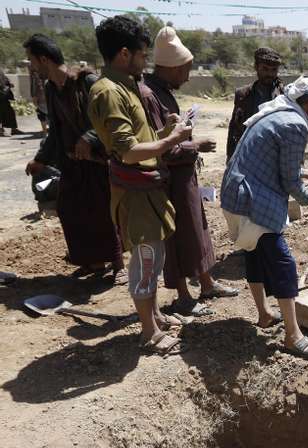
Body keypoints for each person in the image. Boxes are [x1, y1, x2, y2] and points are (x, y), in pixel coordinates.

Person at [88, 15, 195, 355]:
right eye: (142, 54)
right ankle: (149, 332)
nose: (145, 61)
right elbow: (130, 151)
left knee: (153, 257)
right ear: (123, 53)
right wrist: (173, 139)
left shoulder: (126, 85)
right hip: (135, 193)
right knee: (146, 261)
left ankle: (155, 316)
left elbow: (141, 138)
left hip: (147, 189)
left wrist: (166, 132)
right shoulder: (108, 92)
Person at [220, 76, 308, 359]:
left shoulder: (279, 113)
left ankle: (264, 314)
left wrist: (302, 172)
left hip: (235, 193)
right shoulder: (295, 125)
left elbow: (272, 156)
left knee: (255, 255)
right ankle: (293, 336)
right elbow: (289, 180)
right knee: (282, 262)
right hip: (252, 199)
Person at [140, 27, 238, 316]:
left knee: (197, 232)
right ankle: (184, 296)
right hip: (169, 180)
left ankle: (207, 283)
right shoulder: (148, 95)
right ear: (172, 68)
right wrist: (196, 145)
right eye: (186, 70)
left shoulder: (163, 91)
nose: (188, 76)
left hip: (184, 177)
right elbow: (162, 147)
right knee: (178, 237)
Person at [23, 33, 125, 283]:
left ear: (44, 59)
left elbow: (108, 118)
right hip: (71, 163)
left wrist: (88, 138)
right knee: (71, 209)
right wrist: (40, 160)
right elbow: (56, 131)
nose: (33, 68)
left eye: (32, 62)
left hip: (97, 163)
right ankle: (93, 262)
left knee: (103, 212)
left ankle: (118, 264)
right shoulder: (51, 89)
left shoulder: (87, 82)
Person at [226, 47, 283, 161]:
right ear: (256, 67)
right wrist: (230, 156)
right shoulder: (243, 94)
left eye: (273, 70)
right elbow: (234, 127)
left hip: (274, 153)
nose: (269, 74)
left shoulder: (283, 95)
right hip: (248, 152)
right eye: (265, 69)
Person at [0, 70, 23, 136]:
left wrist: (9, 85)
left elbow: (6, 81)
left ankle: (13, 129)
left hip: (4, 98)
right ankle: (1, 130)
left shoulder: (1, 74)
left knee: (10, 112)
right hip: (2, 96)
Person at [29, 66, 48, 134]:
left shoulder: (37, 75)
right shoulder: (35, 75)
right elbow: (34, 86)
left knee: (46, 116)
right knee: (42, 116)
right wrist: (34, 97)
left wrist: (34, 97)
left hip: (46, 98)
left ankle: (47, 132)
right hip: (41, 99)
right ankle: (45, 133)